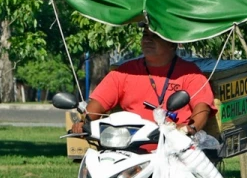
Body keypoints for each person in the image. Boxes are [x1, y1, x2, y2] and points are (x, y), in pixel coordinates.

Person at [69, 23, 215, 135]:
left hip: (175, 148)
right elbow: (99, 103)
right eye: (145, 35)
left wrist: (191, 129)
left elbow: (202, 108)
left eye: (155, 36)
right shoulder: (125, 72)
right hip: (130, 146)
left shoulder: (190, 73)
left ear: (172, 43)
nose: (147, 40)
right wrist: (83, 122)